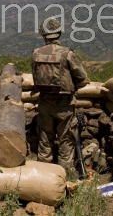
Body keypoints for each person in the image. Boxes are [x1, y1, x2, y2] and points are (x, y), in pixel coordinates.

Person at [32, 18, 89, 170]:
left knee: (45, 140)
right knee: (66, 140)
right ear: (59, 33)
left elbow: (35, 77)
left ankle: (43, 177)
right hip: (65, 105)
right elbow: (83, 79)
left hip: (44, 103)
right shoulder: (67, 54)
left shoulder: (36, 54)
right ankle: (65, 177)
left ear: (43, 34)